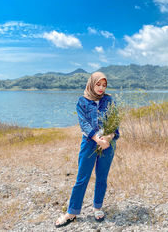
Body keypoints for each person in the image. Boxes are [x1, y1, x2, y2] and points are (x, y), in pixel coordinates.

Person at [55, 71, 120, 228]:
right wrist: (96, 138)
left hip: (107, 144)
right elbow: (83, 123)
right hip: (89, 143)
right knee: (82, 178)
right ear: (91, 84)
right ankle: (72, 212)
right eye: (98, 84)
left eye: (104, 85)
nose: (101, 88)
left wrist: (108, 139)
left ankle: (97, 207)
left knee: (101, 178)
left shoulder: (109, 100)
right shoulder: (82, 101)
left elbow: (115, 125)